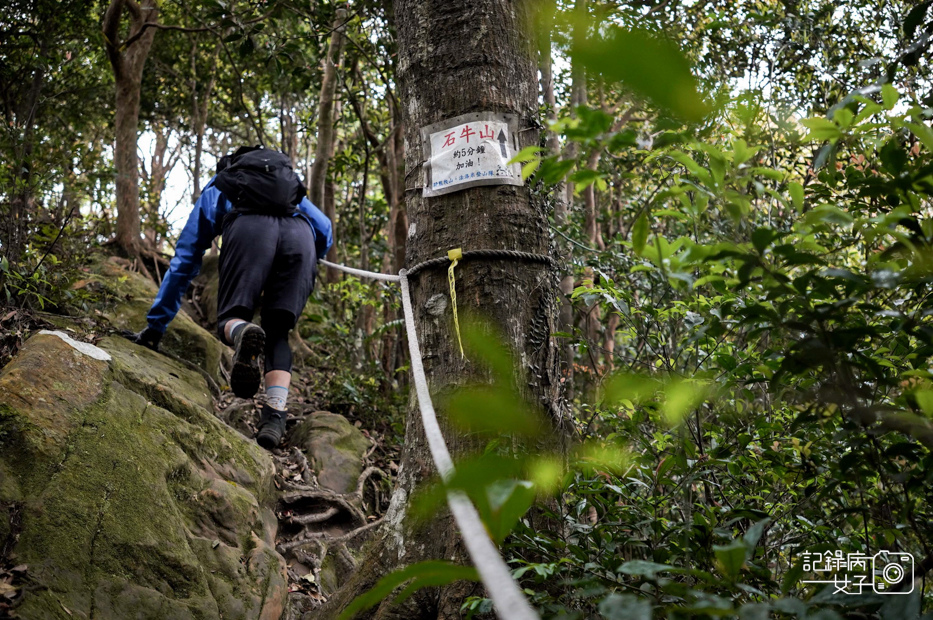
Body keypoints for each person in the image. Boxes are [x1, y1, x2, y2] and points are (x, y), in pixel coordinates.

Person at [132, 146, 333, 450]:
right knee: (279, 331)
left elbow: (185, 259)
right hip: (300, 237)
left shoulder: (220, 186)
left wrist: (156, 326)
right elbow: (325, 228)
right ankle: (274, 417)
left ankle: (242, 331)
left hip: (250, 231)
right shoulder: (288, 190)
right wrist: (309, 256)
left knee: (231, 318)